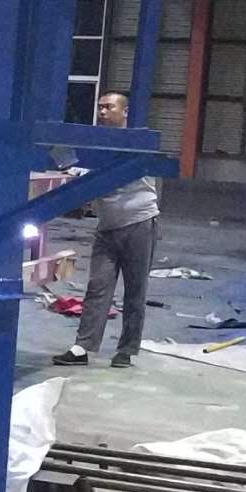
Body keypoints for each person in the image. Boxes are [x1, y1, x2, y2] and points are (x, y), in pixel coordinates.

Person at [53, 92, 160, 369]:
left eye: (109, 107)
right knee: (97, 287)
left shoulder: (136, 142)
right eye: (100, 107)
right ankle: (82, 347)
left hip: (139, 223)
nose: (102, 112)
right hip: (107, 227)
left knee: (135, 290)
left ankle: (126, 351)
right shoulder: (96, 143)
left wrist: (81, 174)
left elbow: (113, 176)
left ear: (125, 112)